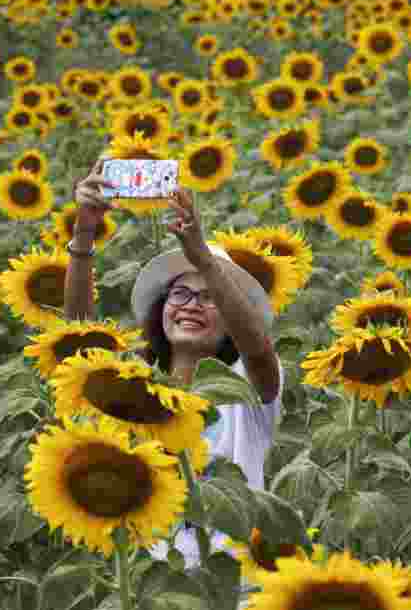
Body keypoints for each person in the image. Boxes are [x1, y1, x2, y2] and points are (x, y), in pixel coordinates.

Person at [65, 157, 284, 569]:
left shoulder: (242, 388)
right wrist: (84, 233)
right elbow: (79, 344)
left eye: (211, 296)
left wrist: (203, 258)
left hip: (235, 591)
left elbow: (257, 351)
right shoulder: (138, 389)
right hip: (152, 583)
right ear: (160, 309)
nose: (191, 306)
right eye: (180, 293)